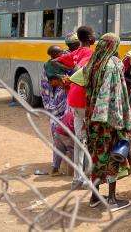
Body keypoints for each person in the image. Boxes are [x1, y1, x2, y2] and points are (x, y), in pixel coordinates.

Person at [84, 33, 131, 211]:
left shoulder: (90, 65)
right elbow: (117, 97)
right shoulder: (113, 65)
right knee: (114, 156)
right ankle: (111, 200)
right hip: (109, 121)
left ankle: (94, 196)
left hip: (91, 121)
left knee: (95, 157)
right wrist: (122, 123)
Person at [53, 26, 96, 189]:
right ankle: (85, 179)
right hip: (85, 100)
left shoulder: (76, 53)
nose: (94, 37)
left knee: (79, 139)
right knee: (88, 140)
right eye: (93, 35)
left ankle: (77, 179)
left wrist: (67, 75)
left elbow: (57, 61)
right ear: (90, 39)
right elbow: (85, 71)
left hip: (73, 99)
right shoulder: (90, 54)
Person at [41, 45, 69, 175]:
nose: (63, 53)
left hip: (62, 106)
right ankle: (56, 166)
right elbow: (45, 88)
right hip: (57, 107)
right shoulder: (49, 67)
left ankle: (57, 166)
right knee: (58, 136)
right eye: (59, 52)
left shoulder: (63, 62)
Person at [52, 109, 75, 175]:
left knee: (59, 152)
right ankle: (71, 172)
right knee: (73, 152)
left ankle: (55, 170)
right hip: (65, 134)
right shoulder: (78, 116)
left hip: (58, 131)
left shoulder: (71, 112)